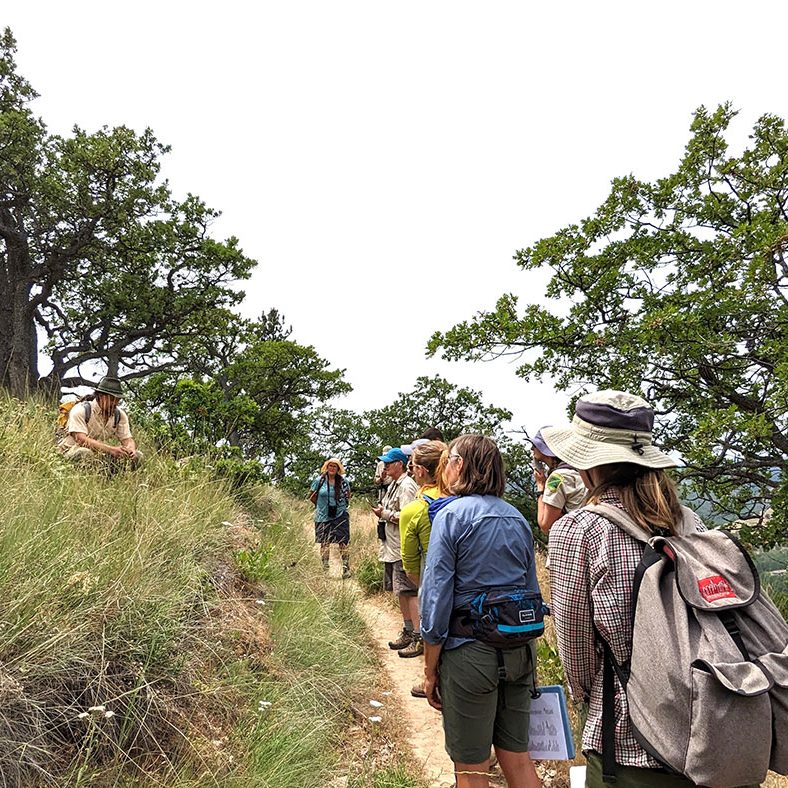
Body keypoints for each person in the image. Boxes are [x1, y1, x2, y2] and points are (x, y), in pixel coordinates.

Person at [542, 390, 759, 788]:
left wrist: (600, 698)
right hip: (718, 735)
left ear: (590, 463)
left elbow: (577, 653)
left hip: (630, 744)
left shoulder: (579, 529)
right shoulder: (688, 521)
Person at [420, 434, 542, 788]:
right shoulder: (517, 517)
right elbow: (531, 591)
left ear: (460, 465)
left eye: (451, 459)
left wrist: (430, 669)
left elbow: (436, 596)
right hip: (519, 650)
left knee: (472, 770)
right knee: (518, 760)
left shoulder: (451, 516)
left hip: (469, 653)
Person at [397, 440, 448, 662]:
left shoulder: (413, 509)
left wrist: (427, 588)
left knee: (434, 637)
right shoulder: (459, 498)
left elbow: (409, 564)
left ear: (419, 470)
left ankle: (431, 680)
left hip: (433, 582)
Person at [370, 447, 419, 653]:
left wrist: (386, 514)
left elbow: (408, 516)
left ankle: (417, 635)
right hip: (392, 546)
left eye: (389, 463)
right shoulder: (394, 484)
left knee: (409, 591)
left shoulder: (407, 486)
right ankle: (408, 631)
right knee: (401, 591)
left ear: (400, 464)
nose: (386, 466)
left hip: (401, 547)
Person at [57, 376, 142, 468]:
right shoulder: (81, 410)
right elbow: (80, 439)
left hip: (100, 455)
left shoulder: (120, 415)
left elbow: (127, 439)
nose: (115, 403)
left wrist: (130, 449)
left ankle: (120, 479)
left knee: (138, 456)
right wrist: (111, 450)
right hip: (70, 452)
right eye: (112, 399)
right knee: (85, 453)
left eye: (118, 400)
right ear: (101, 396)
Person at [531, 426, 585, 536]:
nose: (532, 449)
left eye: (535, 445)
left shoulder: (556, 477)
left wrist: (541, 486)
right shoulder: (581, 470)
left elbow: (545, 525)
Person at [310, 458, 352, 577]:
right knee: (324, 543)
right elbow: (312, 496)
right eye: (330, 466)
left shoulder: (343, 482)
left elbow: (348, 495)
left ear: (338, 469)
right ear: (326, 467)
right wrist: (321, 507)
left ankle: (346, 569)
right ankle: (325, 570)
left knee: (343, 542)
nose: (332, 468)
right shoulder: (319, 481)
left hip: (340, 514)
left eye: (335, 466)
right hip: (323, 516)